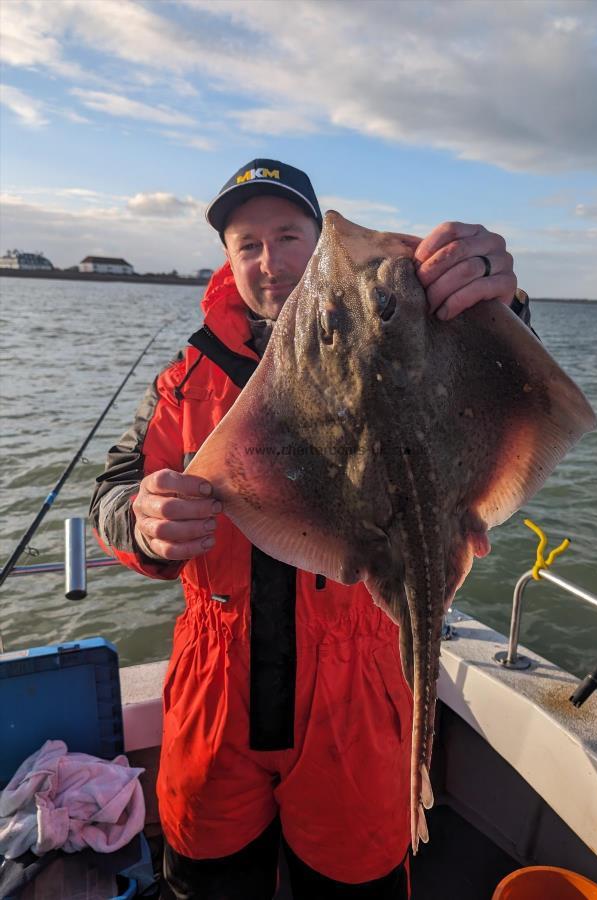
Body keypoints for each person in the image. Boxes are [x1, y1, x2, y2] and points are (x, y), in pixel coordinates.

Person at [90, 158, 531, 900]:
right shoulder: (186, 376)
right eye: (247, 245)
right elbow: (112, 494)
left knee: (355, 880)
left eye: (288, 236)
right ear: (228, 261)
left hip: (355, 691)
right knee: (209, 880)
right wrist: (142, 524)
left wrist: (498, 294)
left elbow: (497, 360)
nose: (270, 261)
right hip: (214, 686)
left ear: (318, 240)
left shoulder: (399, 321)